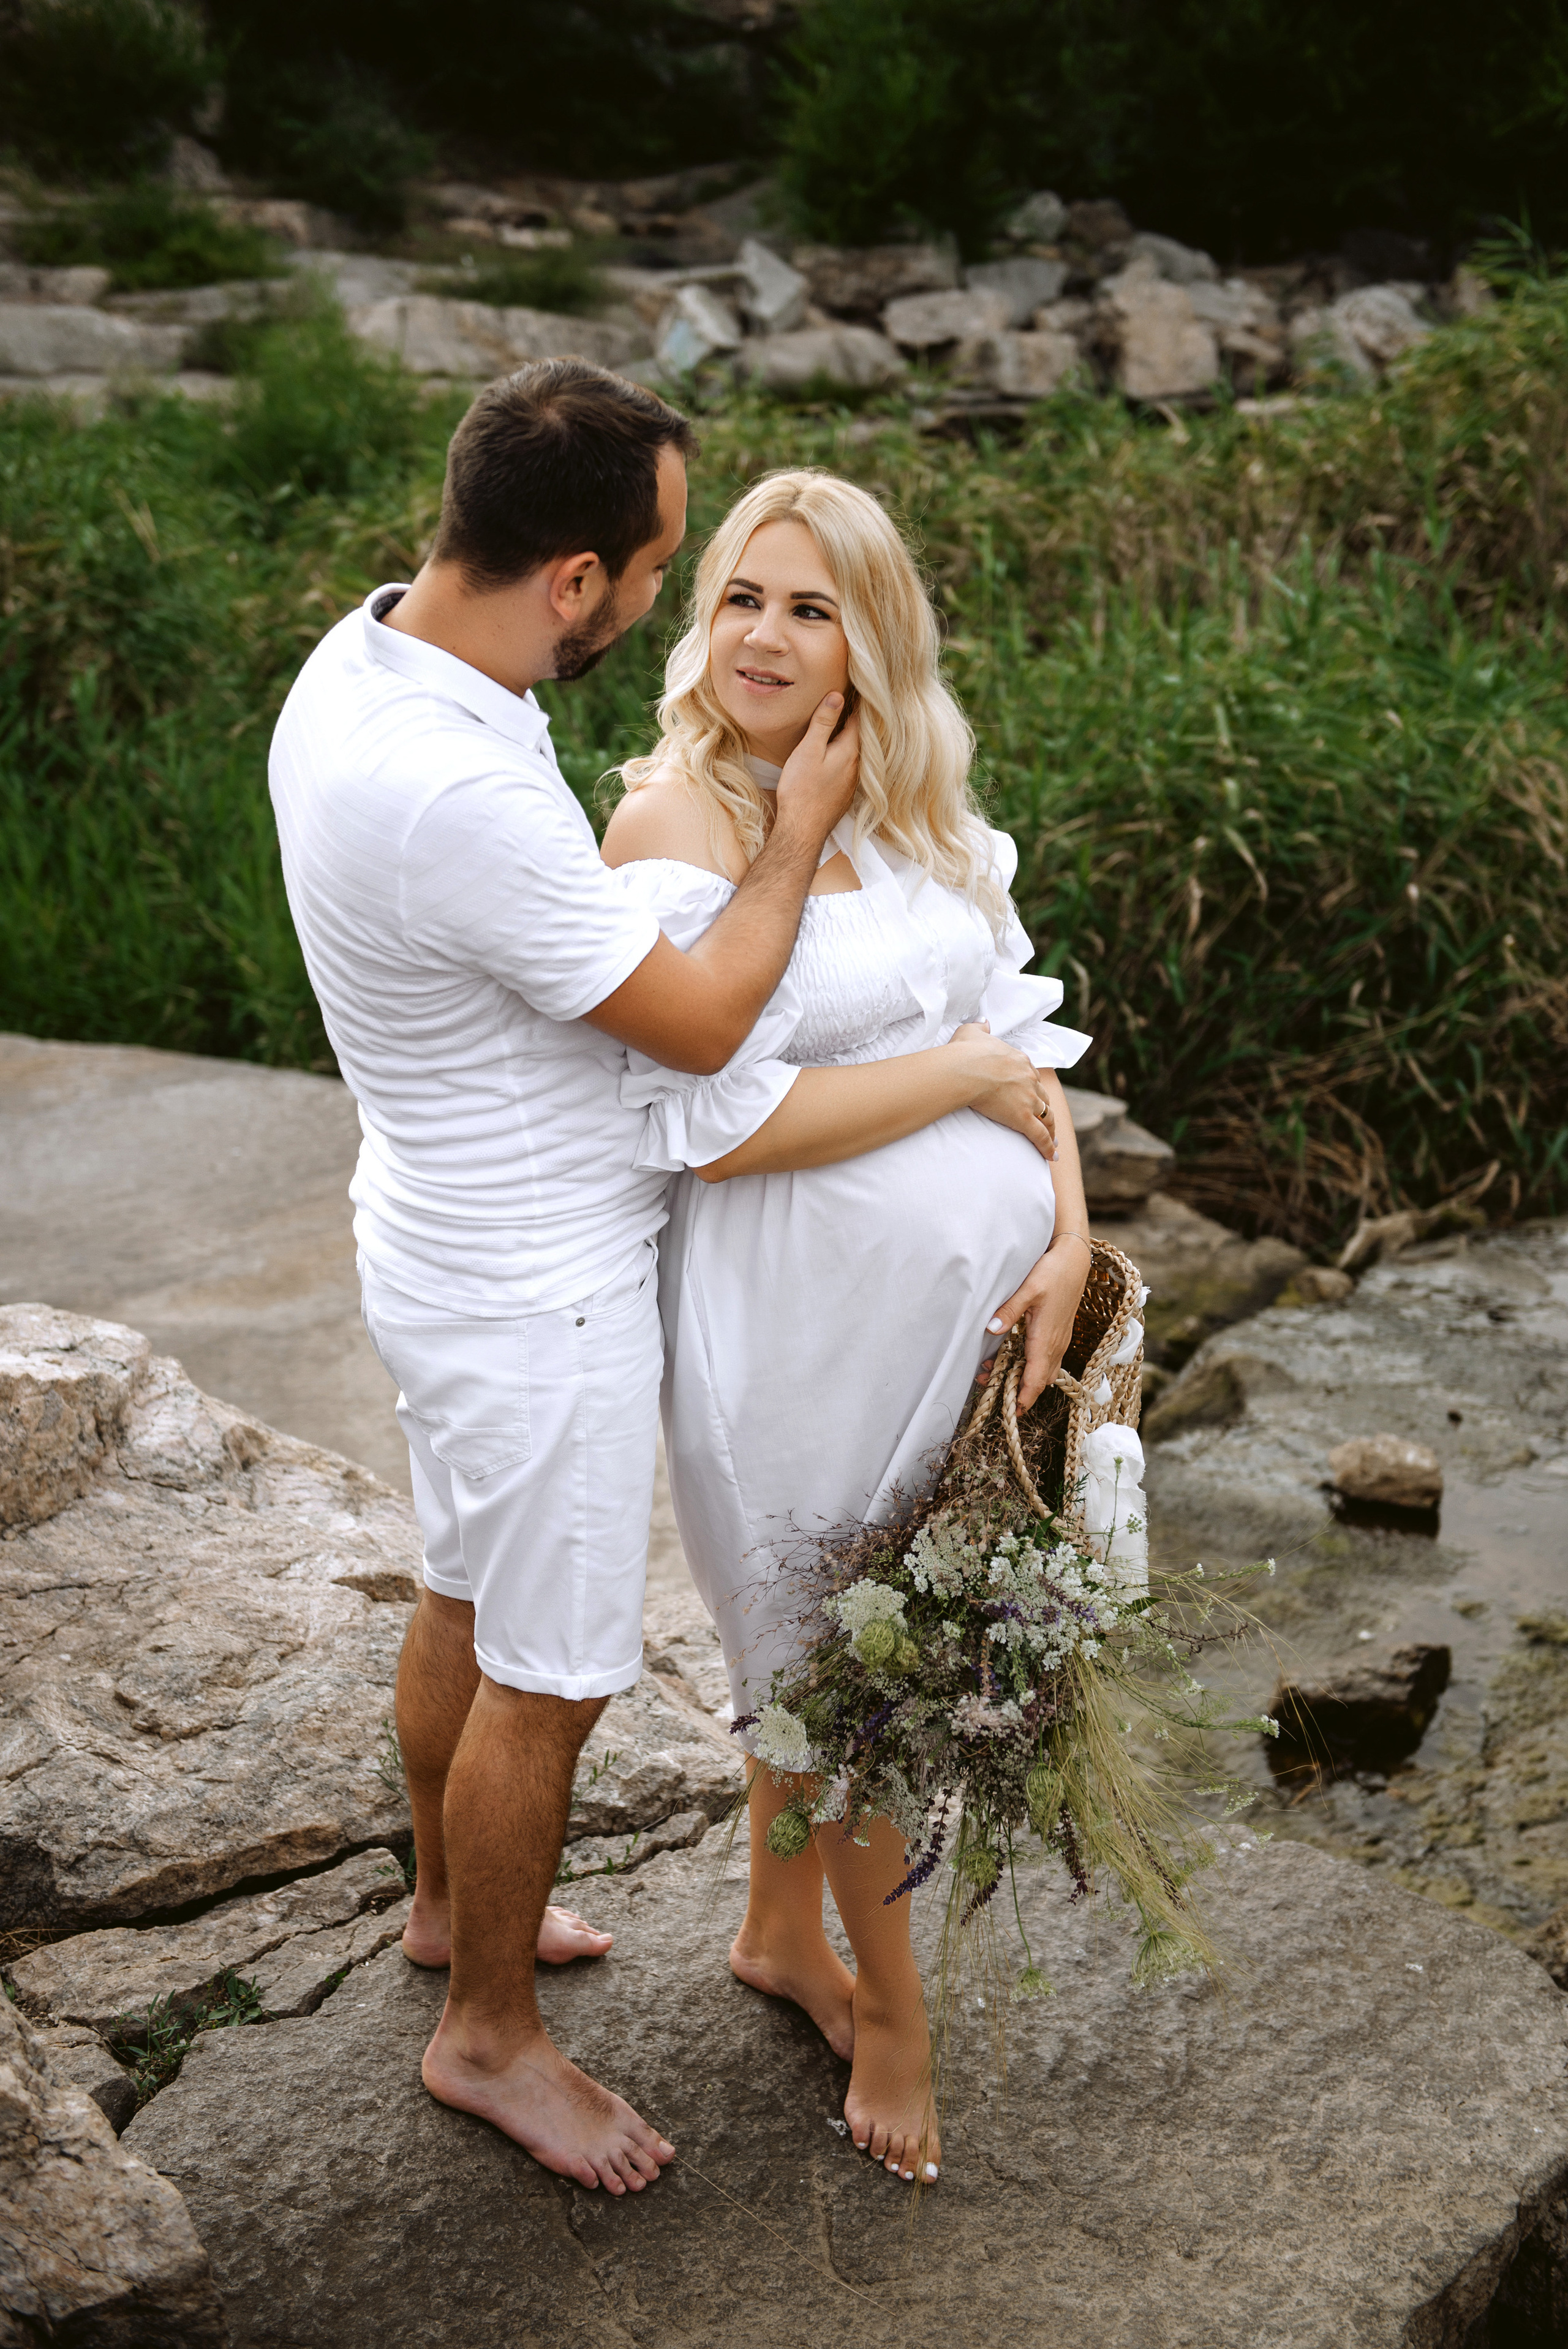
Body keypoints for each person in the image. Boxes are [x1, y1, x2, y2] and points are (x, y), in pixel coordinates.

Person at [268, 363, 902, 2196]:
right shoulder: (452, 785)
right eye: (659, 570)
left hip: (431, 1218)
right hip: (530, 1279)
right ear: (571, 579)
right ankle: (488, 2035)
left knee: (464, 1589)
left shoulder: (373, 653)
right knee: (548, 1673)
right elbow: (702, 1025)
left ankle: (441, 1907)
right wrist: (791, 833)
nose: (667, 603)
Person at [600, 469, 1095, 2188]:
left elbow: (1029, 1041)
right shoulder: (677, 821)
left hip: (978, 1323)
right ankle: (892, 2010)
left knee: (853, 1644)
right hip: (789, 1303)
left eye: (813, 606)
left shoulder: (925, 812)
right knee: (855, 1655)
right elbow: (717, 1117)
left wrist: (1071, 1246)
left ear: (870, 638)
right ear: (702, 614)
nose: (768, 635)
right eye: (744, 594)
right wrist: (960, 1081)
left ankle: (777, 1931)